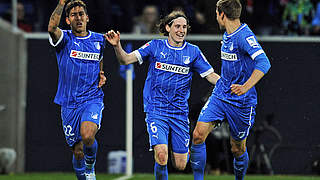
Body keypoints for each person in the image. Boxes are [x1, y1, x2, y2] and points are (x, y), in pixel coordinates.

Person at [105, 10, 220, 180]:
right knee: (161, 155)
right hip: (156, 109)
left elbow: (211, 75)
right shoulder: (155, 46)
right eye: (177, 26)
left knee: (181, 164)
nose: (181, 30)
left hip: (179, 112)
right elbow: (126, 60)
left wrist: (230, 88)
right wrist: (117, 46)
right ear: (168, 27)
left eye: (184, 27)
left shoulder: (193, 52)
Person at [190, 0, 271, 180]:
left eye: (216, 14)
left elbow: (264, 63)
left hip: (242, 102)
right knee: (197, 135)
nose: (216, 18)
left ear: (222, 15)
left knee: (237, 148)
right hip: (221, 94)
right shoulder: (228, 34)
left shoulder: (244, 36)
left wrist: (245, 87)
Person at [48, 0, 106, 179]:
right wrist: (61, 3)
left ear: (87, 18)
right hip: (68, 102)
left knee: (88, 135)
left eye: (81, 14)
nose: (78, 18)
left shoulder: (99, 39)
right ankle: (84, 174)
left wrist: (101, 72)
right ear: (68, 20)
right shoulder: (64, 39)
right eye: (74, 15)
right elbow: (51, 27)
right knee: (78, 151)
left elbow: (100, 57)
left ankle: (90, 167)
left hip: (92, 99)